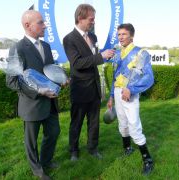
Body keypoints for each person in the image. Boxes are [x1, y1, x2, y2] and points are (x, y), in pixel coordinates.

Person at [6, 10, 60, 180]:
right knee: (31, 142)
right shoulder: (18, 48)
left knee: (54, 132)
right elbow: (12, 81)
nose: (45, 25)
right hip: (32, 104)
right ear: (28, 25)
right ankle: (38, 170)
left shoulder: (46, 46)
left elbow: (51, 72)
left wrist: (62, 79)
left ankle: (46, 160)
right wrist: (38, 91)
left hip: (50, 102)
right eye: (41, 22)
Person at [63, 4, 115, 161]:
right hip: (80, 89)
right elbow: (77, 63)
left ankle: (93, 148)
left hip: (94, 88)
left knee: (94, 123)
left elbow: (92, 60)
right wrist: (101, 57)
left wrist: (106, 56)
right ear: (80, 18)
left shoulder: (93, 37)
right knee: (76, 122)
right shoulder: (69, 39)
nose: (93, 22)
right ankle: (73, 151)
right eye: (91, 19)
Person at [107, 23, 154, 175]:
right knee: (122, 123)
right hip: (118, 92)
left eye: (124, 34)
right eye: (119, 34)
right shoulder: (117, 53)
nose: (120, 37)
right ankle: (127, 149)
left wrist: (131, 89)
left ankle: (147, 160)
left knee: (134, 125)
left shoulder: (141, 53)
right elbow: (115, 77)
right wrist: (111, 96)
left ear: (131, 36)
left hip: (130, 94)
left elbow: (149, 77)